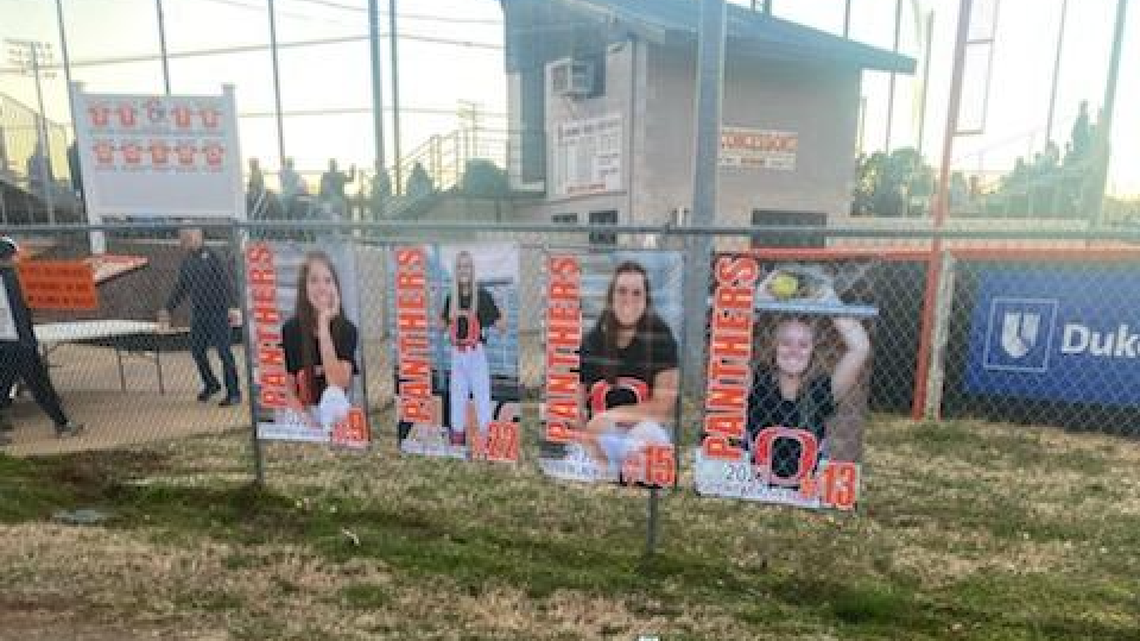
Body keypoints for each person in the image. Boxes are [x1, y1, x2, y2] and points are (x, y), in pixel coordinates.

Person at [745, 273, 871, 485]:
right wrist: (758, 303)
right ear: (773, 347)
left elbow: (860, 347)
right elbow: (727, 342)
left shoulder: (820, 390)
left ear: (813, 351)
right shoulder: (756, 383)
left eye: (803, 345)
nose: (794, 350)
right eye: (786, 342)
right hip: (754, 487)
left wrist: (829, 301)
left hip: (806, 492)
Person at [577, 261, 679, 481]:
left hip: (640, 434)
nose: (628, 299)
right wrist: (592, 446)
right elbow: (575, 405)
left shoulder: (660, 338)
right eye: (622, 291)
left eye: (637, 293)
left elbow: (663, 408)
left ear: (646, 301)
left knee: (650, 437)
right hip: (600, 436)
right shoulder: (592, 341)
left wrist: (610, 416)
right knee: (576, 462)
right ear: (611, 298)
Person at [0, 236, 84, 443]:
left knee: (7, 386)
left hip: (6, 340)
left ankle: (62, 423)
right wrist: (28, 340)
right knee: (39, 384)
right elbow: (20, 311)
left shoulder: (10, 277)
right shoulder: (11, 277)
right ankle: (62, 424)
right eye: (13, 256)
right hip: (18, 342)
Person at [159, 228, 241, 406]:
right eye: (182, 237)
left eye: (188, 236)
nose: (184, 240)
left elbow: (227, 281)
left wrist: (233, 306)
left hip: (219, 311)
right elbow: (181, 287)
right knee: (197, 350)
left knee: (224, 352)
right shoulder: (187, 261)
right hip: (199, 313)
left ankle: (234, 392)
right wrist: (168, 308)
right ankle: (211, 384)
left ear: (199, 236)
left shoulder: (213, 256)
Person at [281, 252, 358, 430]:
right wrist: (306, 421)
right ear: (304, 288)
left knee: (333, 395)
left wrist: (324, 325)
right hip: (302, 412)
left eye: (327, 281)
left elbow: (338, 383)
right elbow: (288, 390)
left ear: (336, 288)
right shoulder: (291, 329)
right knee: (288, 414)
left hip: (334, 414)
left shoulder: (347, 330)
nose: (321, 287)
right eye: (314, 281)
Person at [439, 250, 506, 454]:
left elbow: (501, 326)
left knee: (482, 399)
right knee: (457, 399)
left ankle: (487, 446)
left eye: (467, 266)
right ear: (455, 271)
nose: (463, 270)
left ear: (473, 270)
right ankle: (458, 444)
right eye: (459, 266)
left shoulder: (482, 296)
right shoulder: (452, 297)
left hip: (476, 354)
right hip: (457, 355)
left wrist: (499, 313)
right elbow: (441, 325)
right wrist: (442, 319)